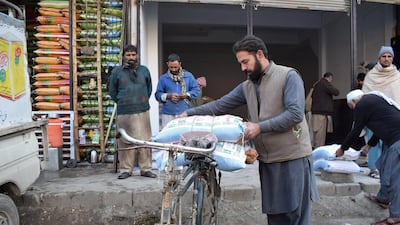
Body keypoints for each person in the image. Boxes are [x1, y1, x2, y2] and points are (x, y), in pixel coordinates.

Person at [179, 35, 319, 225]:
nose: (243, 68)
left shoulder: (288, 76)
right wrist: (189, 113)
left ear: (260, 54)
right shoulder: (248, 86)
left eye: (245, 62)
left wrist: (259, 128)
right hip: (268, 161)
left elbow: (295, 114)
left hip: (293, 157)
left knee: (295, 215)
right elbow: (220, 105)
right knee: (275, 215)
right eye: (241, 63)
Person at [335, 90, 400, 225]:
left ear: (353, 101)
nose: (354, 111)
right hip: (393, 139)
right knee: (382, 165)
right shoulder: (374, 101)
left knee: (394, 178)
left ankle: (396, 216)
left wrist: (342, 149)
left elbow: (356, 130)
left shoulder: (362, 104)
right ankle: (383, 198)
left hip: (397, 140)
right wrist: (369, 145)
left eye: (351, 108)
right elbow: (380, 126)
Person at [108, 44, 157, 179]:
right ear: (124, 56)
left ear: (137, 56)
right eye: (128, 55)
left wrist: (140, 101)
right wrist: (123, 101)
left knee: (145, 140)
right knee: (125, 141)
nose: (131, 57)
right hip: (125, 111)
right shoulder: (117, 72)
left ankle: (145, 168)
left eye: (133, 55)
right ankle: (126, 169)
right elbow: (112, 91)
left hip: (142, 110)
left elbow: (149, 89)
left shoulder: (144, 71)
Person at [362, 46, 400, 179]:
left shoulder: (397, 76)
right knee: (374, 143)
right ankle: (374, 168)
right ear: (379, 58)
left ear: (393, 58)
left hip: (393, 117)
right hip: (375, 117)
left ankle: (386, 169)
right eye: (384, 56)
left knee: (390, 145)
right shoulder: (371, 76)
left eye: (389, 56)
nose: (386, 59)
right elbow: (366, 96)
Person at [155, 53, 200, 129]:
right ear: (167, 64)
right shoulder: (163, 78)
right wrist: (169, 96)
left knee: (183, 136)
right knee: (168, 136)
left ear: (180, 64)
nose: (173, 69)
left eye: (175, 67)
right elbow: (157, 95)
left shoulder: (188, 76)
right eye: (171, 67)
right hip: (168, 114)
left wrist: (186, 95)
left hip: (185, 112)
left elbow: (196, 91)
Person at [310, 72, 340, 148]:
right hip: (321, 113)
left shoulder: (317, 84)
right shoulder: (324, 83)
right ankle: (318, 150)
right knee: (320, 134)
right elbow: (336, 92)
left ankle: (315, 148)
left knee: (316, 133)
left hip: (315, 112)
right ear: (329, 78)